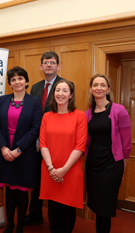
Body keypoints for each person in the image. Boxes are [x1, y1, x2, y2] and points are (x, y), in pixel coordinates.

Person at [0, 66, 42, 233]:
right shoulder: (3, 100)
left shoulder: (35, 102)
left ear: (26, 81)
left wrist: (18, 149)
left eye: (20, 78)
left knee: (21, 191)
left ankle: (20, 224)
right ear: (10, 83)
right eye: (13, 79)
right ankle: (9, 224)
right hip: (5, 153)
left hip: (25, 153)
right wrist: (3, 148)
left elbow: (35, 128)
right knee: (9, 190)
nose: (17, 81)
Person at [84, 74, 132, 233]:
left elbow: (127, 144)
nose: (99, 88)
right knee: (97, 205)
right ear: (91, 89)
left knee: (105, 207)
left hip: (112, 165)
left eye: (102, 85)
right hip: (93, 165)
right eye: (95, 85)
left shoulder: (119, 110)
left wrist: (123, 168)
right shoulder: (87, 113)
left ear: (108, 89)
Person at [26, 51, 69, 225]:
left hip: (54, 144)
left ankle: (57, 219)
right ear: (41, 67)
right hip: (35, 143)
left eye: (52, 62)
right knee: (35, 179)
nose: (49, 65)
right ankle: (35, 213)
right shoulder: (36, 87)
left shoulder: (65, 85)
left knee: (53, 180)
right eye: (46, 62)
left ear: (58, 66)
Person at [39, 79, 87, 233]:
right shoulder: (46, 116)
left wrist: (63, 170)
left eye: (65, 90)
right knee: (52, 207)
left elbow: (80, 146)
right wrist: (51, 168)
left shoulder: (79, 116)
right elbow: (43, 144)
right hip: (49, 168)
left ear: (71, 95)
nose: (61, 94)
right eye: (58, 90)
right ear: (54, 94)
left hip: (71, 169)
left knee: (67, 207)